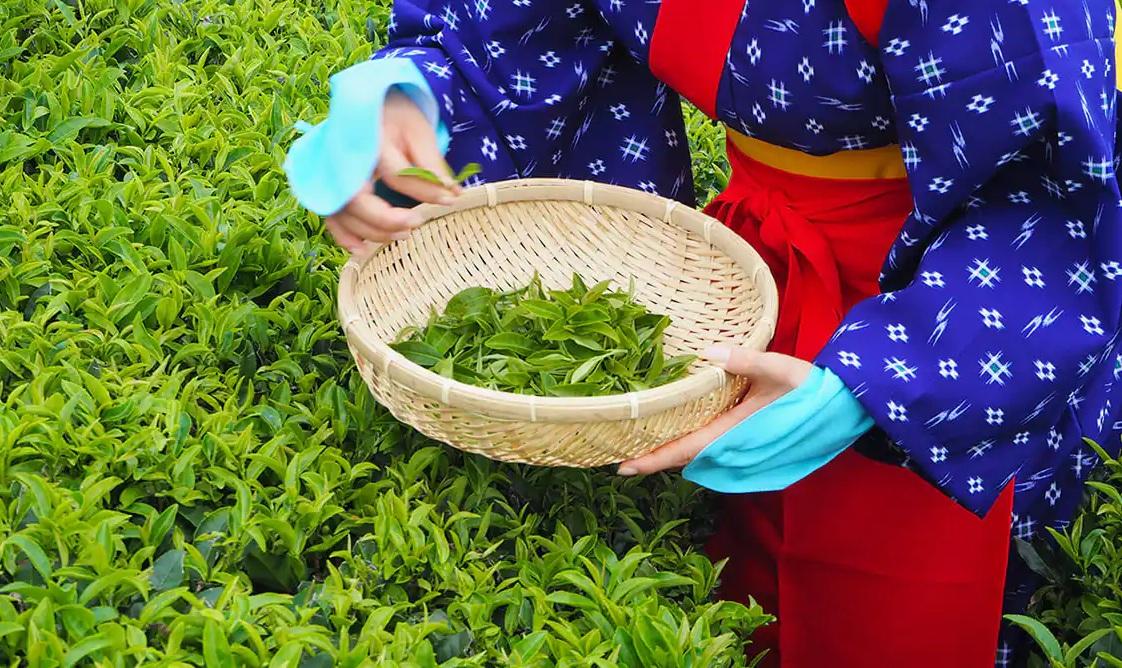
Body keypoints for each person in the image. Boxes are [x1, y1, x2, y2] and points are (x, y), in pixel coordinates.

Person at [283, 1, 1122, 665]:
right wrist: (420, 90)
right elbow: (524, 27)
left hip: (933, 291)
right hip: (748, 273)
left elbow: (1050, 171)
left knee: (888, 607)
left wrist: (892, 379)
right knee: (726, 587)